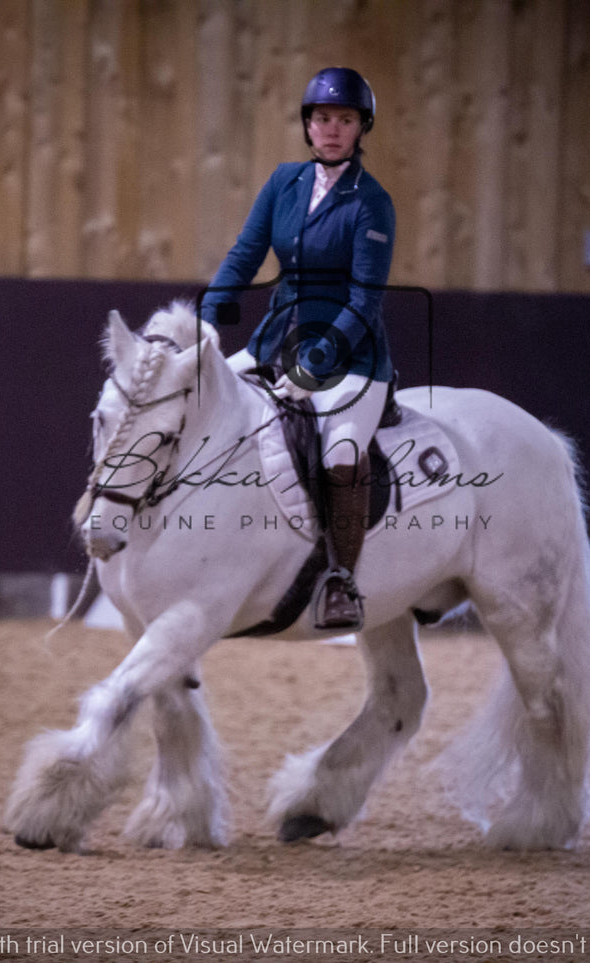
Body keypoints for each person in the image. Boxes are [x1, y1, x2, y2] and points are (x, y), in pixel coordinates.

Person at [200, 66, 396, 631]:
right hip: (276, 339)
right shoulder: (283, 182)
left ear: (361, 129)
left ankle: (341, 579)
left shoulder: (372, 204)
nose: (332, 129)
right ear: (308, 126)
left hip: (352, 355)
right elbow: (244, 255)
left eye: (345, 120)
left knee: (339, 454)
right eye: (322, 118)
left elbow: (365, 300)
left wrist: (316, 366)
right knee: (200, 398)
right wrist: (208, 320)